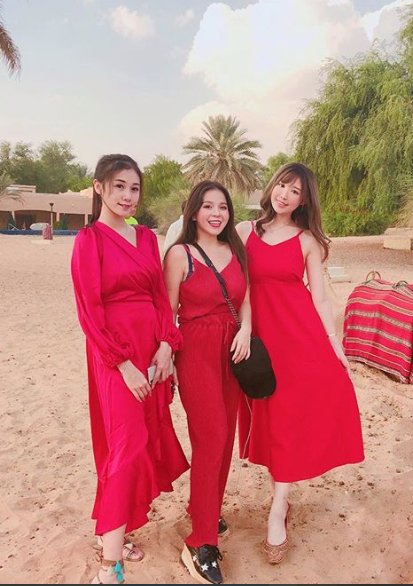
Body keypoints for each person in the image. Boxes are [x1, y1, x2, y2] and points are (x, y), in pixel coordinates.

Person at [236, 162, 365, 564]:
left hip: (298, 338)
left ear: (304, 201)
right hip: (257, 339)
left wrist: (334, 343)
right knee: (269, 418)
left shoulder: (308, 241)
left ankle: (278, 508)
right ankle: (280, 497)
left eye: (295, 191)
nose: (285, 195)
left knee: (291, 418)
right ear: (272, 186)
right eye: (282, 185)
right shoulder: (244, 231)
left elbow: (320, 297)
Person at [71, 154, 189, 584]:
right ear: (99, 187)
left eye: (134, 188)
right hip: (113, 355)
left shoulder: (145, 238)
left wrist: (166, 346)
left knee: (138, 443)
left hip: (150, 349)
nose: (127, 196)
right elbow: (89, 310)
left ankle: (113, 533)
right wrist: (123, 364)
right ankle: (109, 565)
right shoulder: (89, 240)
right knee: (126, 442)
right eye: (119, 186)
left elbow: (160, 297)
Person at [163, 180, 251, 584]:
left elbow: (246, 297)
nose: (216, 214)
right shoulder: (179, 254)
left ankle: (206, 509)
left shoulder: (235, 249)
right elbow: (167, 312)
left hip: (233, 349)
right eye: (208, 206)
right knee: (211, 438)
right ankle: (199, 542)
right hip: (196, 350)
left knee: (225, 437)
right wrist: (165, 355)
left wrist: (246, 329)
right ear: (194, 211)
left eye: (223, 207)